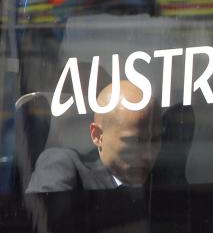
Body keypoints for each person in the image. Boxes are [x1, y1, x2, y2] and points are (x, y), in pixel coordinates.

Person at [26, 80, 160, 192]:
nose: (148, 154)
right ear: (97, 135)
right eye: (134, 142)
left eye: (155, 140)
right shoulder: (63, 167)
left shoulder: (167, 183)